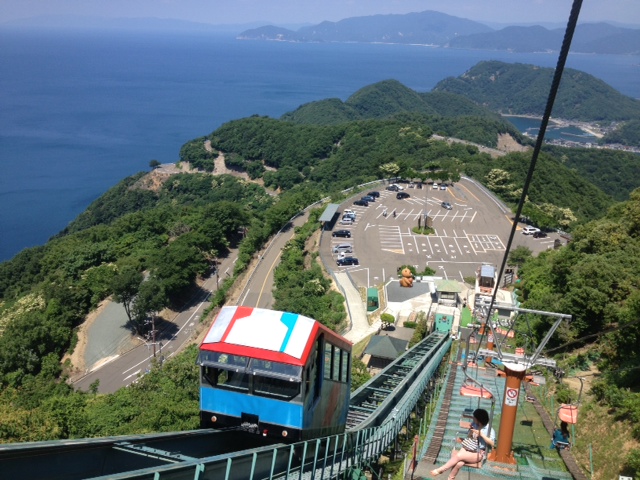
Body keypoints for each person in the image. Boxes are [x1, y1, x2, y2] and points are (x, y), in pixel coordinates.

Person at [430, 408, 496, 479]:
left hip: (478, 453)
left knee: (458, 456)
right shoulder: (475, 424)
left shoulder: (489, 429)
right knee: (459, 463)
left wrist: (482, 435)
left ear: (479, 419)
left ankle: (441, 470)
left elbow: (492, 443)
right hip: (469, 447)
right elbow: (469, 436)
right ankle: (450, 478)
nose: (473, 419)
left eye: (474, 418)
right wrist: (471, 432)